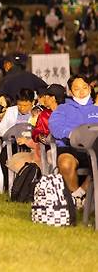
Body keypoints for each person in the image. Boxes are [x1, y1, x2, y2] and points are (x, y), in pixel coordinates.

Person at [49, 75, 98, 208]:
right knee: (65, 163)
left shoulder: (96, 110)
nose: (82, 92)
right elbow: (55, 127)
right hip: (69, 147)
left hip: (94, 149)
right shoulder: (62, 109)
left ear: (90, 88)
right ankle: (78, 196)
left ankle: (80, 193)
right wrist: (71, 134)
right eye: (77, 89)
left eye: (85, 87)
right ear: (70, 92)